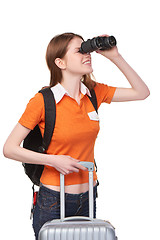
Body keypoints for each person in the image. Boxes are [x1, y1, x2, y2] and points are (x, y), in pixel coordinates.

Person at [3, 32, 150, 239]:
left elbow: (142, 92)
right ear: (60, 62)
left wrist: (115, 56)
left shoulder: (93, 93)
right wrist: (53, 160)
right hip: (53, 199)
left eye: (87, 49)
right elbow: (9, 149)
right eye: (79, 51)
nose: (87, 54)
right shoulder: (43, 101)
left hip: (89, 195)